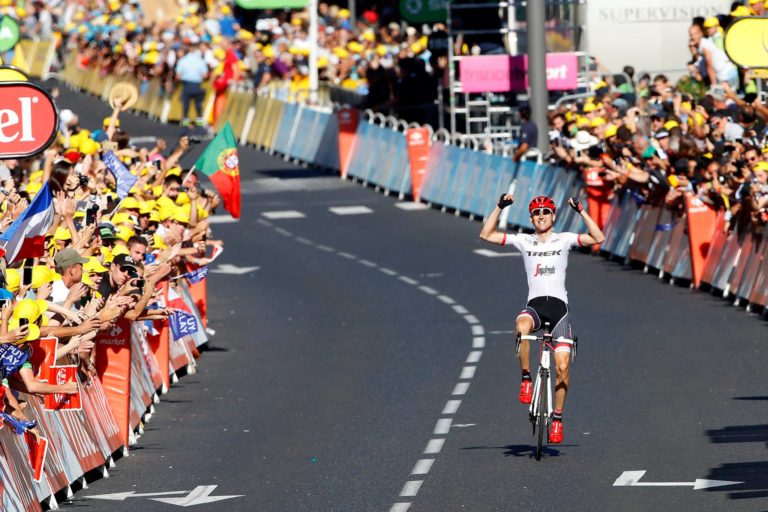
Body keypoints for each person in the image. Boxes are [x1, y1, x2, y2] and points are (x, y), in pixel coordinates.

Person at [479, 194, 605, 443]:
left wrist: (581, 211)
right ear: (531, 218)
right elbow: (486, 235)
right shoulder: (524, 240)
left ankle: (557, 417)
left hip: (559, 311)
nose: (541, 216)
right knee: (521, 325)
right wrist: (499, 207)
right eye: (537, 213)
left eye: (546, 212)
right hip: (535, 306)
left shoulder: (565, 239)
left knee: (562, 366)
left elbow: (598, 237)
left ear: (554, 215)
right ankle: (526, 378)